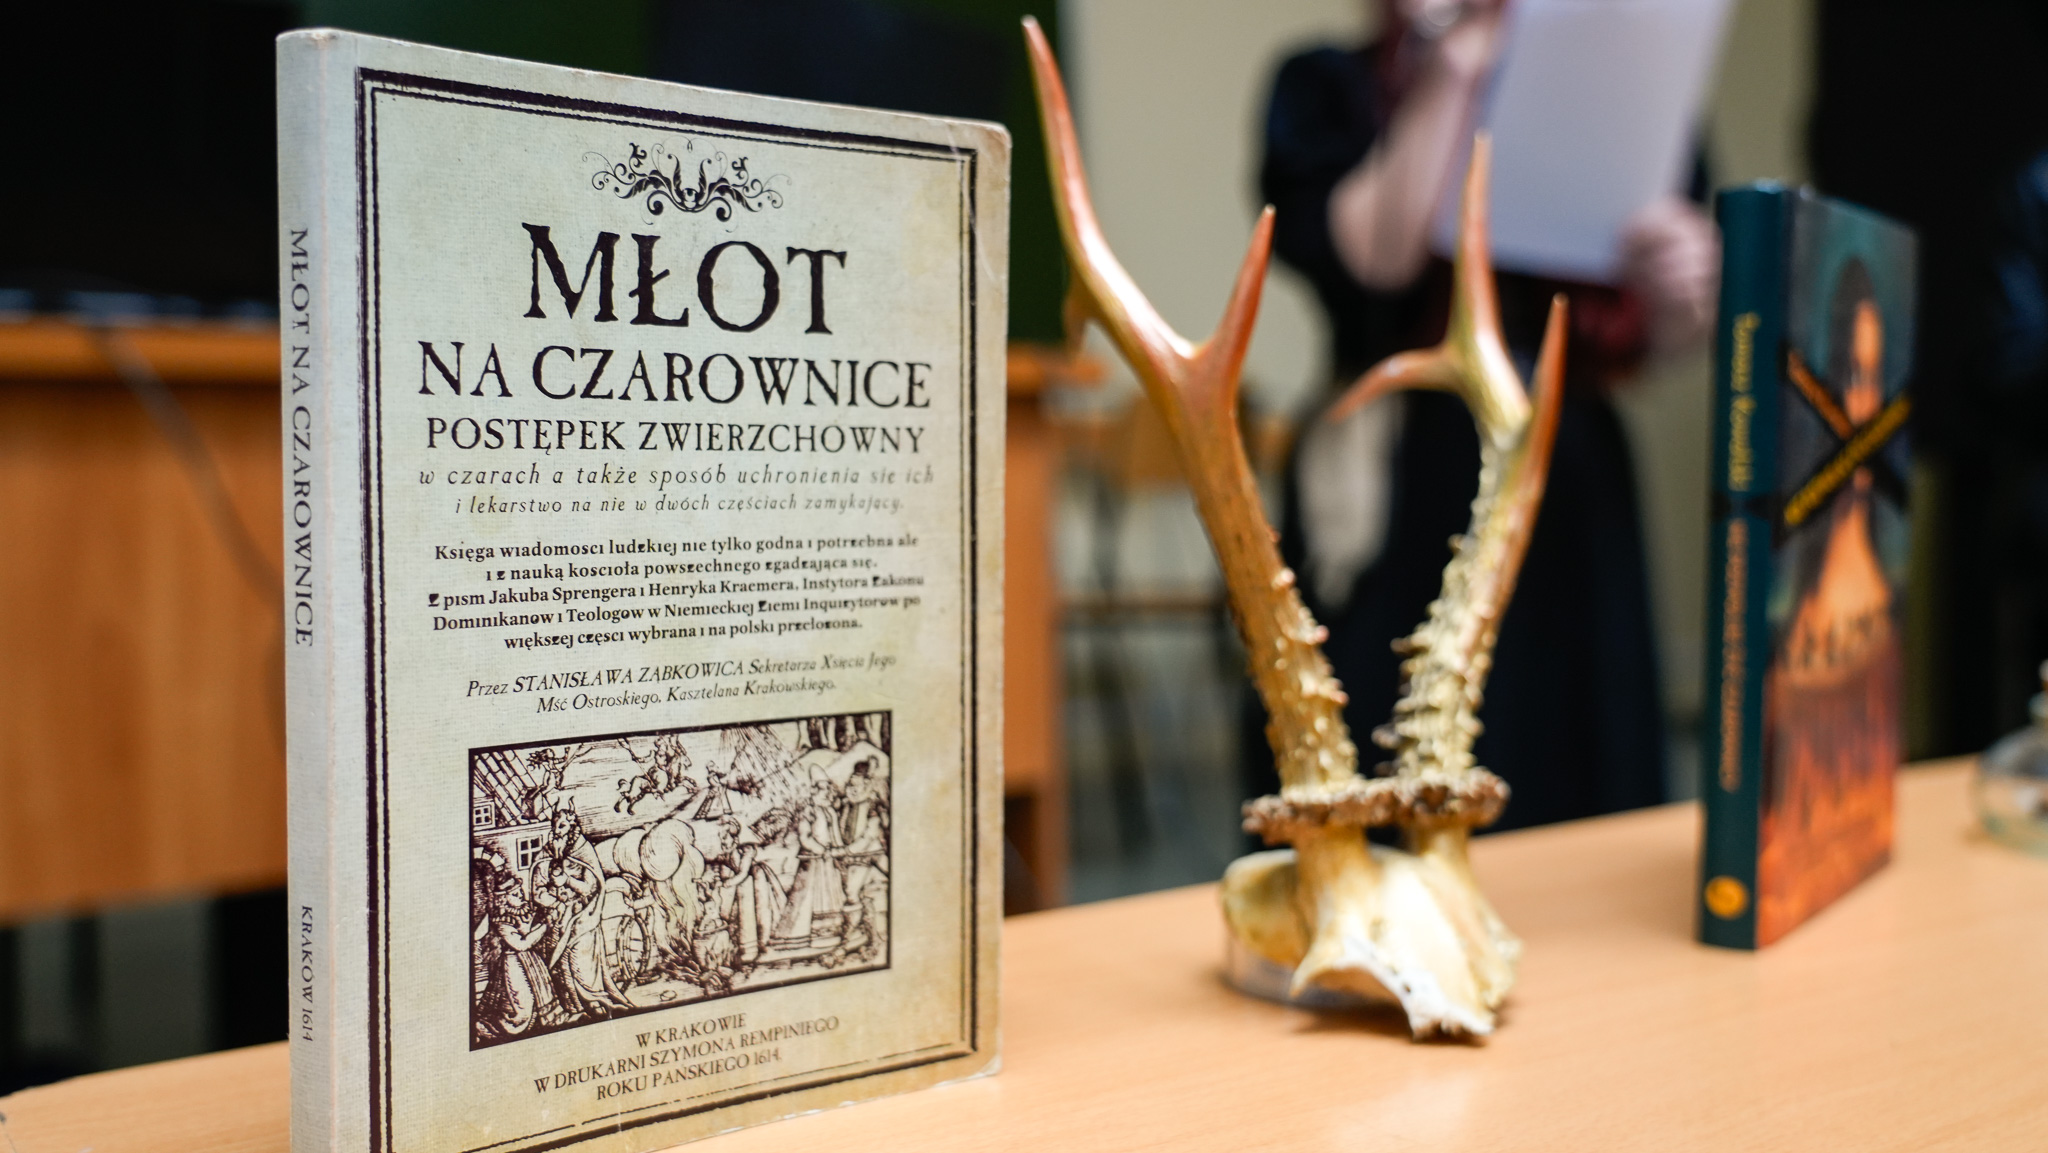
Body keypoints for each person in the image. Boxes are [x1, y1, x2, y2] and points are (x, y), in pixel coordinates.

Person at [1250, 0, 1719, 828]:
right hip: (1399, 467)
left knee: (1578, 761)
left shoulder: (1618, 88)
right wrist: (1454, 68)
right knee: (1389, 756)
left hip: (1563, 465)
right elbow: (1375, 263)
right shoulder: (1327, 86)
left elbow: (1654, 335)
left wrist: (1685, 287)